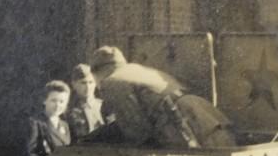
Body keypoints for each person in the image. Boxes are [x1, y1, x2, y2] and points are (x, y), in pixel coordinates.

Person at [89, 45, 235, 148]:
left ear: (96, 72)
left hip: (183, 128)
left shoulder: (112, 81)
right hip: (208, 118)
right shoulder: (139, 70)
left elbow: (137, 130)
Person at [25, 80, 72, 156]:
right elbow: (31, 155)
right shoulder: (35, 123)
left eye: (62, 101)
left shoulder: (65, 125)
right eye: (53, 100)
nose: (58, 105)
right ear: (45, 100)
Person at [65, 62, 105, 142]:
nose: (88, 87)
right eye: (83, 83)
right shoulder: (68, 109)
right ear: (74, 84)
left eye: (91, 82)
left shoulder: (104, 106)